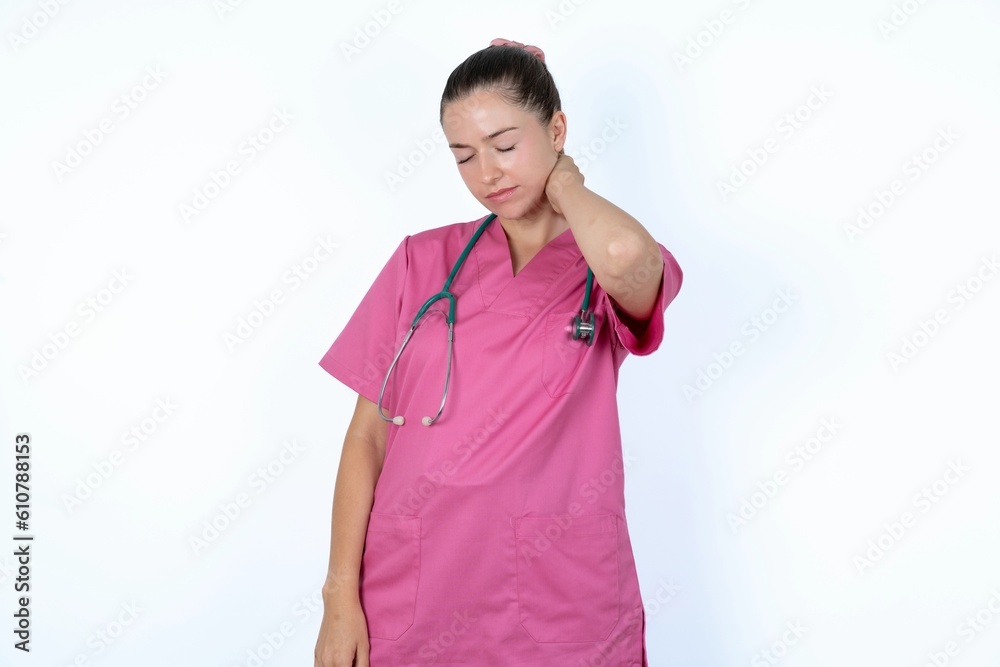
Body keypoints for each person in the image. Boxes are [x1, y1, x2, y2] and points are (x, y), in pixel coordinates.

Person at [314, 37, 683, 667]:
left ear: (557, 128)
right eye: (464, 156)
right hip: (413, 588)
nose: (487, 174)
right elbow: (366, 439)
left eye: (506, 146)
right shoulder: (420, 261)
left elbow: (626, 258)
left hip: (559, 593)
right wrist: (339, 598)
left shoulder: (600, 264)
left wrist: (566, 187)